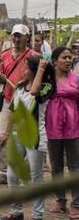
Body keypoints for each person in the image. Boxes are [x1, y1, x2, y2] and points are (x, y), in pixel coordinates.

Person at [0, 55, 55, 220]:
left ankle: (37, 216)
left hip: (35, 136)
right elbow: (13, 110)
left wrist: (41, 70)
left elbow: (35, 92)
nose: (23, 70)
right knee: (12, 175)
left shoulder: (47, 86)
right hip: (17, 135)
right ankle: (16, 212)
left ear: (35, 70)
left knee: (36, 177)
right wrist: (7, 133)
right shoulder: (20, 86)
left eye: (25, 68)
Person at [0, 24, 35, 185]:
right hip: (8, 100)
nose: (17, 39)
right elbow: (0, 74)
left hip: (27, 102)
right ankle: (3, 172)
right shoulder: (5, 55)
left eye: (20, 35)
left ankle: (23, 171)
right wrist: (0, 77)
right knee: (2, 136)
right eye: (15, 35)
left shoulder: (33, 57)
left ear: (27, 38)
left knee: (25, 139)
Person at [45, 46, 79, 219]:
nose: (68, 60)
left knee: (75, 166)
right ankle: (60, 200)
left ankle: (77, 203)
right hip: (52, 126)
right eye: (64, 57)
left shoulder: (76, 78)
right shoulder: (48, 80)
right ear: (54, 61)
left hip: (74, 126)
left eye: (70, 57)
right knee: (56, 165)